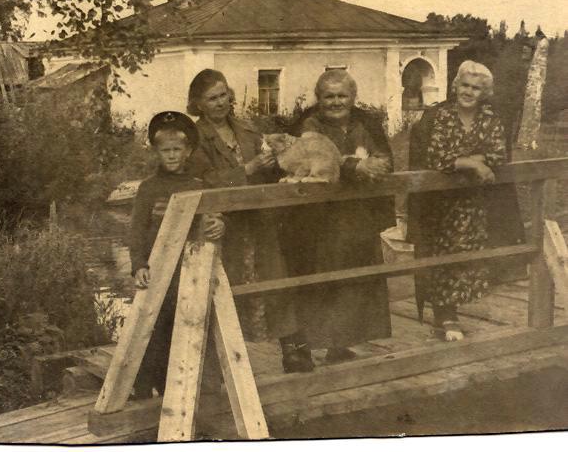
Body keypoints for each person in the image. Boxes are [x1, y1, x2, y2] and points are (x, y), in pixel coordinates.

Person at [281, 69, 395, 370]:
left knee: (353, 280)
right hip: (318, 221)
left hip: (358, 217)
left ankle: (339, 344)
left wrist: (379, 164)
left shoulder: (366, 122)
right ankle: (303, 349)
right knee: (319, 281)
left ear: (353, 97)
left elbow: (385, 156)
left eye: (342, 95)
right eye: (328, 96)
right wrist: (355, 166)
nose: (335, 102)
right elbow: (308, 162)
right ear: (318, 98)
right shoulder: (308, 124)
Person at [407, 60, 525, 342]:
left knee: (467, 259)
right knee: (440, 258)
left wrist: (471, 161)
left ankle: (450, 314)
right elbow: (434, 157)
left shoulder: (490, 118)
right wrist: (473, 164)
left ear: (485, 93)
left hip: (475, 204)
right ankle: (445, 316)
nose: (468, 92)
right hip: (438, 203)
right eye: (465, 85)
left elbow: (498, 153)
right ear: (455, 85)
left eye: (476, 88)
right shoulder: (439, 116)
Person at [186, 69, 297, 359]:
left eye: (223, 95)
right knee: (225, 289)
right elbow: (203, 180)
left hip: (258, 221)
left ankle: (292, 352)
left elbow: (270, 173)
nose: (220, 102)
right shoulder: (195, 138)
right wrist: (247, 169)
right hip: (225, 225)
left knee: (274, 280)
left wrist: (276, 159)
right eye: (212, 98)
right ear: (198, 104)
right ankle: (228, 359)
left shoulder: (247, 130)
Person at [129, 111, 224, 399]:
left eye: (177, 150)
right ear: (156, 152)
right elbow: (136, 230)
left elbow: (214, 219)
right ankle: (144, 386)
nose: (171, 156)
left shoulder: (198, 186)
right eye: (165, 150)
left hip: (190, 270)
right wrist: (139, 265)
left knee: (195, 321)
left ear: (188, 151)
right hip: (158, 272)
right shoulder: (148, 188)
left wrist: (219, 225)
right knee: (153, 326)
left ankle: (203, 384)